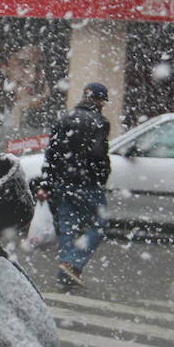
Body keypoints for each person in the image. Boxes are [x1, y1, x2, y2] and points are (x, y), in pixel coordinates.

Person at [39, 82, 112, 291]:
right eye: (102, 101)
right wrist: (101, 177)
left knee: (67, 226)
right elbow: (99, 156)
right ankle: (73, 263)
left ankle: (67, 272)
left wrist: (47, 182)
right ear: (99, 100)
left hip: (62, 182)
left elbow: (51, 153)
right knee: (100, 224)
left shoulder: (64, 118)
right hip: (87, 182)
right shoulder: (100, 122)